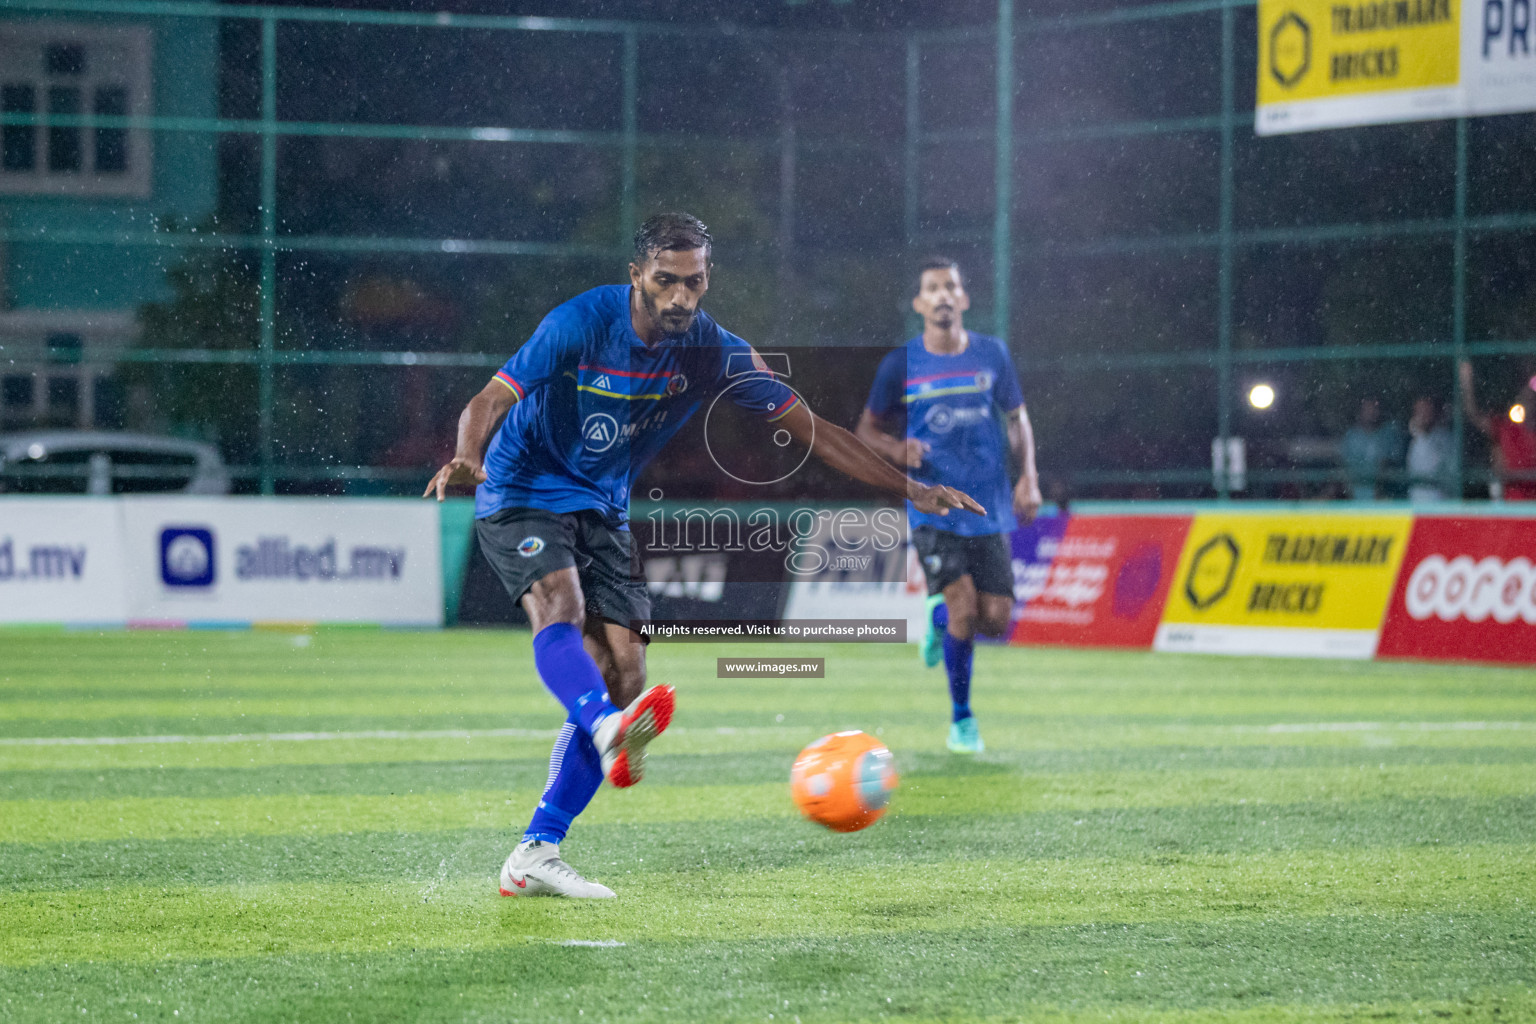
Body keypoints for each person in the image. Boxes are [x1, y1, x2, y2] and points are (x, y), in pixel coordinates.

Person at [424, 214, 982, 898]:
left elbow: (815, 432)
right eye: (666, 282)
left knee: (626, 671)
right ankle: (603, 729)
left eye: (694, 282)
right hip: (519, 487)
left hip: (602, 507)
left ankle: (536, 852)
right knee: (562, 607)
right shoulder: (580, 323)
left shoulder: (715, 351)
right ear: (638, 276)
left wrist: (912, 489)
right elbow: (492, 397)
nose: (681, 297)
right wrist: (467, 455)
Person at [855, 257, 1041, 755]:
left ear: (963, 299)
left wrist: (1029, 478)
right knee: (964, 608)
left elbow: (1018, 419)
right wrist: (898, 451)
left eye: (950, 287)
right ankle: (963, 722)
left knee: (996, 619)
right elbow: (865, 431)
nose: (942, 295)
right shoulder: (901, 365)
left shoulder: (992, 355)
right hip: (932, 507)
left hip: (989, 509)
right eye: (932, 288)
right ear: (919, 303)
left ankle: (936, 622)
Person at [1459, 360, 1536, 500]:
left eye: (1533, 399)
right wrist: (1466, 381)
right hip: (1510, 508)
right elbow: (1473, 414)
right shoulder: (1507, 428)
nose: (1531, 404)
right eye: (1527, 399)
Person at [1339, 397, 1405, 500]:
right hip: (1353, 498)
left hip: (1385, 499)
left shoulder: (1389, 434)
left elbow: (1390, 465)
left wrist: (1380, 489)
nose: (1371, 412)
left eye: (1374, 408)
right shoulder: (1351, 436)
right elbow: (1344, 469)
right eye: (1367, 409)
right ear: (1360, 411)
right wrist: (1348, 493)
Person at [1405, 396, 1454, 503]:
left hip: (1440, 502)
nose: (1422, 415)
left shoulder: (1445, 437)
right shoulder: (1412, 440)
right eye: (1419, 411)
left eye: (1426, 410)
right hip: (1415, 501)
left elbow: (1445, 472)